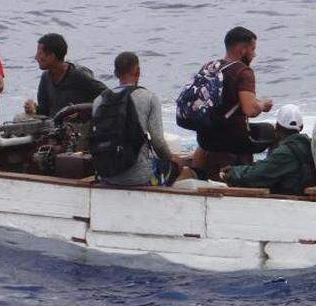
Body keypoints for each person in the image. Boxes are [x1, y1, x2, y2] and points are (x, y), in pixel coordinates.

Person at [90, 52, 187, 186]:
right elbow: (158, 142)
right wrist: (172, 159)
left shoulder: (99, 101)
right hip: (139, 177)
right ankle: (160, 194)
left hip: (106, 174)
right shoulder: (148, 97)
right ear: (138, 71)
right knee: (177, 164)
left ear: (115, 73)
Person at [191, 26, 274, 172]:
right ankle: (267, 173)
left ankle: (196, 168)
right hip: (232, 139)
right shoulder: (243, 72)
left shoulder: (210, 67)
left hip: (205, 139)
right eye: (252, 49)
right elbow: (250, 110)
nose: (254, 54)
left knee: (217, 125)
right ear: (242, 50)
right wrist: (263, 105)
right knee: (270, 130)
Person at [219, 104, 316, 196]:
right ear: (302, 127)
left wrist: (233, 173)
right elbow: (269, 166)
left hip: (289, 194)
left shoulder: (285, 152)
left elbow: (258, 175)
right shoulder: (309, 144)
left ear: (277, 127)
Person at [24, 33, 106, 117]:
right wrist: (34, 109)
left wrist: (82, 113)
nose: (36, 57)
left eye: (40, 54)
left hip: (77, 126)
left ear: (52, 56)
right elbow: (44, 111)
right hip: (54, 124)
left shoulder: (79, 75)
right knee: (19, 118)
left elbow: (108, 98)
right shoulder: (45, 77)